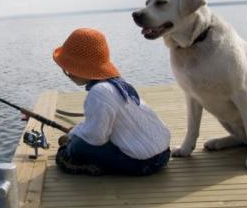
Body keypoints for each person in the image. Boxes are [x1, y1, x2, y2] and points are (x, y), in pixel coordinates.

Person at [53, 28, 171, 176]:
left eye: (67, 70)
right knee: (81, 136)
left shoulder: (98, 93)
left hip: (144, 163)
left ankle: (79, 161)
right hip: (164, 153)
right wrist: (78, 130)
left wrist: (74, 135)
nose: (67, 74)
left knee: (77, 147)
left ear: (76, 69)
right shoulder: (118, 84)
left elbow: (96, 138)